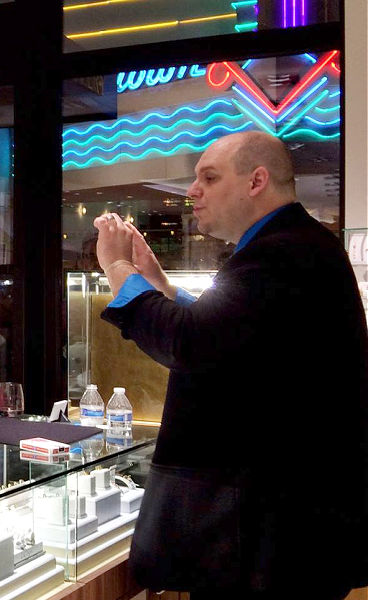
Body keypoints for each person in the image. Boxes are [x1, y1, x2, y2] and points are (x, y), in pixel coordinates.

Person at [94, 131, 368, 599]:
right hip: (288, 534)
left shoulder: (282, 252)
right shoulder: (298, 245)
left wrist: (117, 268)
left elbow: (189, 343)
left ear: (256, 181)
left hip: (273, 543)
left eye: (209, 177)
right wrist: (158, 283)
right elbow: (230, 335)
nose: (192, 190)